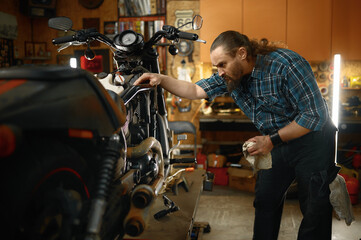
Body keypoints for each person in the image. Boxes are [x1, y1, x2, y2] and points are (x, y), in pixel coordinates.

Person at [134, 31, 338, 240]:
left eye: (222, 64)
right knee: (265, 200)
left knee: (315, 208)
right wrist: (161, 79)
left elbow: (314, 116)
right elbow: (195, 90)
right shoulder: (231, 76)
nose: (220, 72)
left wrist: (270, 140)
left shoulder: (286, 65)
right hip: (276, 141)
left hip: (313, 140)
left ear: (242, 53)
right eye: (217, 67)